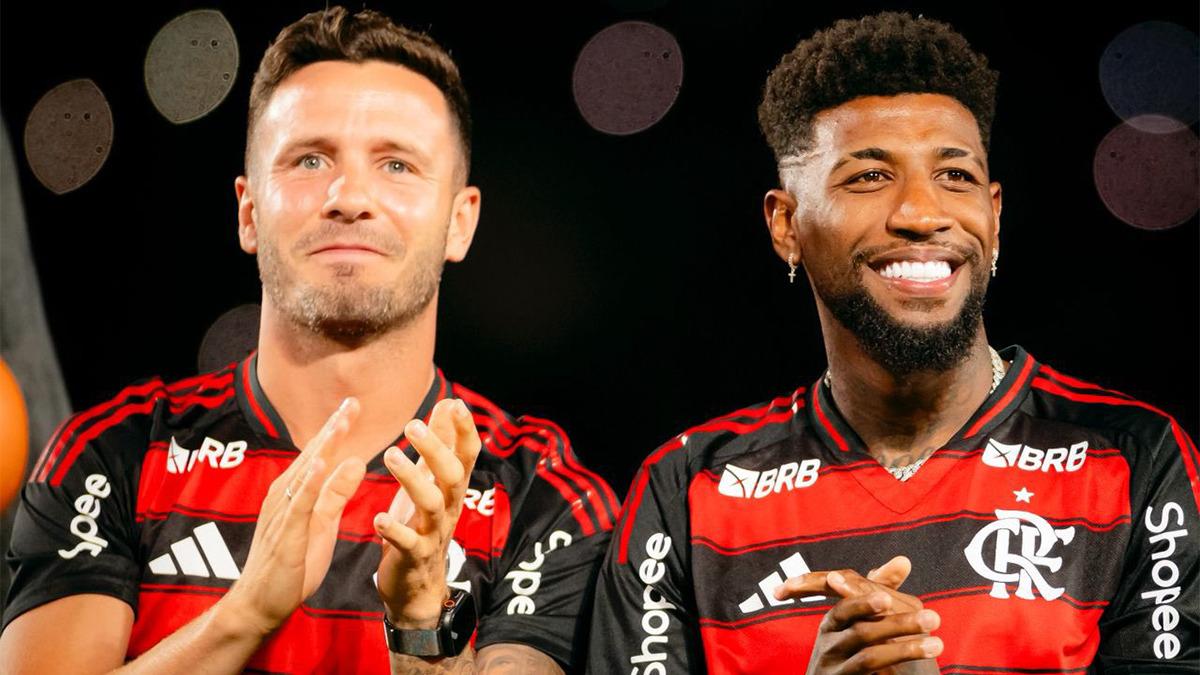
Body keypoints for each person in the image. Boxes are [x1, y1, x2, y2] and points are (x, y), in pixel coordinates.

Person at [0, 7, 617, 674]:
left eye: (397, 165)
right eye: (310, 159)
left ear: (459, 222)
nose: (349, 196)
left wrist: (420, 624)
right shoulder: (115, 452)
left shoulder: (545, 494)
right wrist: (244, 615)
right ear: (248, 212)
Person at [587, 10, 1198, 674]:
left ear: (994, 216)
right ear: (787, 224)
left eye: (955, 176)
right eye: (869, 177)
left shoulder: (1134, 458)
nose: (922, 213)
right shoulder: (688, 487)